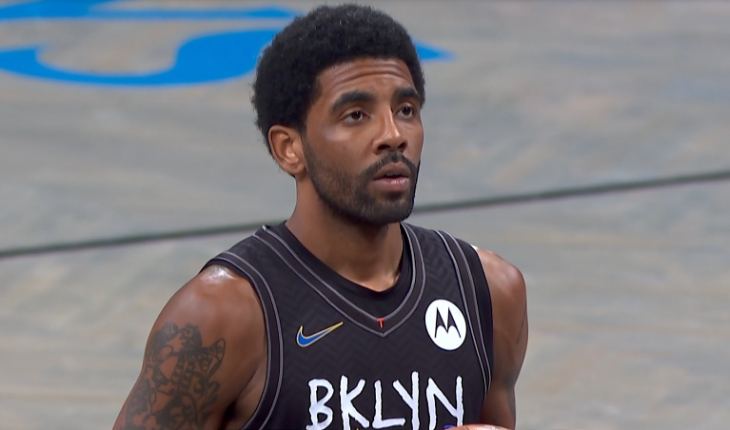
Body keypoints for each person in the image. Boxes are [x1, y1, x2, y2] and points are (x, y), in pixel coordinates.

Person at [112, 4, 528, 430]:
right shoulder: (221, 316)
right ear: (289, 149)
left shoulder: (489, 292)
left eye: (406, 109)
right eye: (356, 115)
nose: (393, 135)